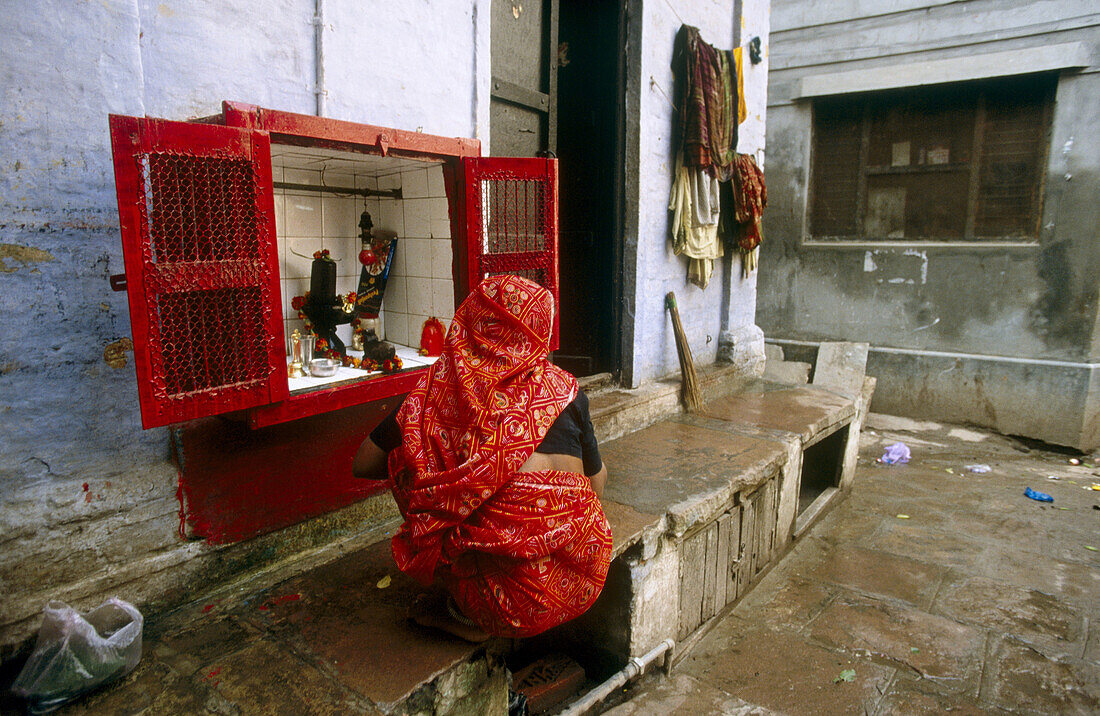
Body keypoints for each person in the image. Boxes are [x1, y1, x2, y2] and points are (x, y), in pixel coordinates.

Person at [353, 275, 612, 641]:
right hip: (582, 574)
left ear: (472, 321)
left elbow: (362, 465)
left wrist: (427, 447)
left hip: (503, 606)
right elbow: (597, 487)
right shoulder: (566, 390)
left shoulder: (436, 395)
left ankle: (467, 614)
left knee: (410, 457)